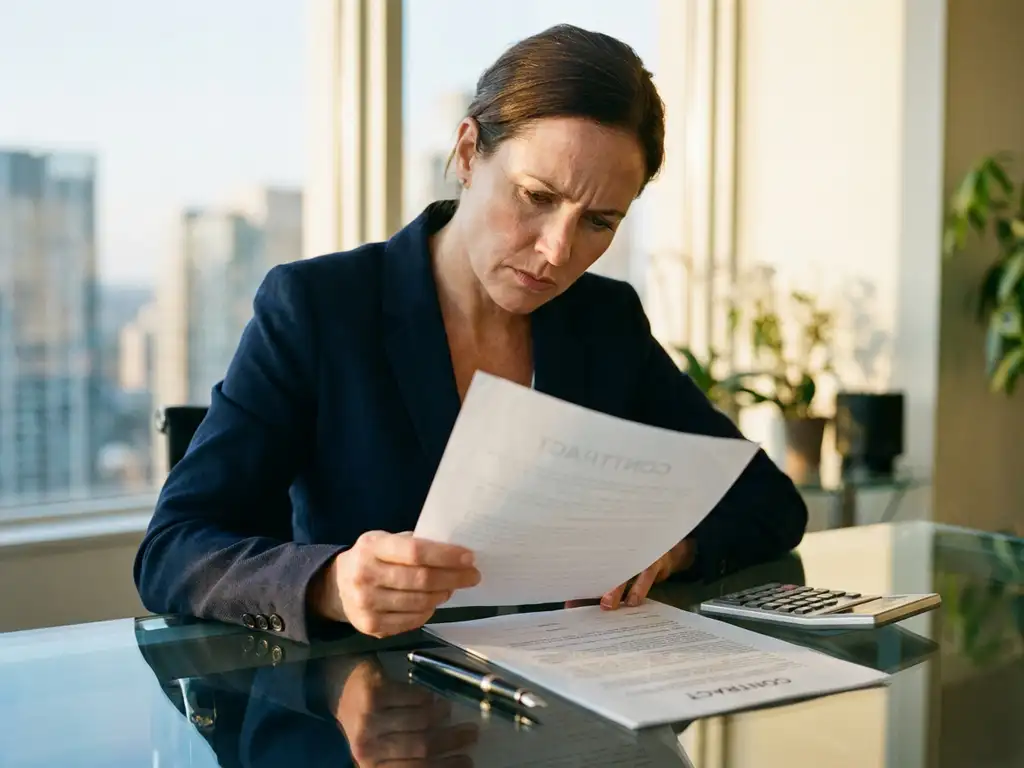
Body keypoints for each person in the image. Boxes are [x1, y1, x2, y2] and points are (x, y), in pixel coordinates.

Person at [134, 24, 807, 645]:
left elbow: (770, 501)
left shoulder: (604, 321)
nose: (556, 251)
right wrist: (330, 584)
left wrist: (674, 547)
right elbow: (174, 549)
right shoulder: (318, 307)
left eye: (599, 222)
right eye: (537, 197)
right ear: (466, 153)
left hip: (567, 701)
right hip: (365, 710)